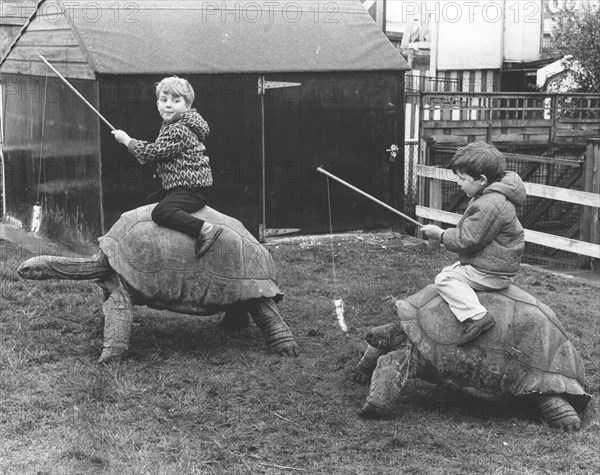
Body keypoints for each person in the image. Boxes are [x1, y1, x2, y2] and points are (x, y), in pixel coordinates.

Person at [421, 142, 527, 345]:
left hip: (493, 271)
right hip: (495, 263)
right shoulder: (492, 196)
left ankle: (477, 316)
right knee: (452, 269)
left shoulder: (490, 204)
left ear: (481, 179)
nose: (458, 183)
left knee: (444, 279)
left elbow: (467, 240)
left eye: (462, 178)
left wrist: (441, 234)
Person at [112, 76, 222, 258]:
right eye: (164, 100)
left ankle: (205, 229)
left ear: (187, 106)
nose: (168, 105)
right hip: (181, 187)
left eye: (176, 101)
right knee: (150, 200)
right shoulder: (173, 125)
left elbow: (156, 152)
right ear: (157, 104)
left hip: (191, 189)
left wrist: (128, 141)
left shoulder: (178, 129)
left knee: (161, 212)